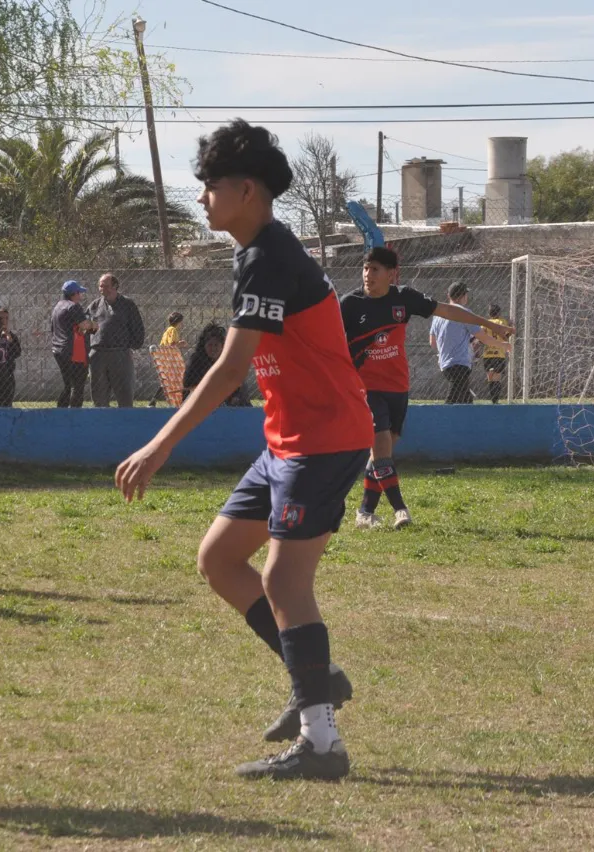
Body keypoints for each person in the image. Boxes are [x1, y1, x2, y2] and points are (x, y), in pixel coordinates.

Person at [116, 120, 373, 781]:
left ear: (248, 191)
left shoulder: (269, 256)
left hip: (324, 438)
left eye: (210, 187)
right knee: (220, 559)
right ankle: (313, 675)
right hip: (288, 438)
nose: (202, 199)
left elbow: (230, 371)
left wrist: (159, 444)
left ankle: (322, 743)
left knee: (287, 580)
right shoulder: (253, 253)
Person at [341, 249, 513, 530]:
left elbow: (448, 310)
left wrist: (487, 324)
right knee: (382, 449)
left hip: (398, 386)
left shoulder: (404, 298)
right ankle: (401, 511)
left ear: (392, 273)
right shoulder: (350, 304)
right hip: (365, 389)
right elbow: (326, 338)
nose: (367, 275)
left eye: (375, 270)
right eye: (365, 269)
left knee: (381, 455)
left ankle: (364, 513)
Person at [429, 282, 509, 405]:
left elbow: (432, 343)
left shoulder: (438, 314)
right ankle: (440, 421)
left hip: (444, 363)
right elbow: (484, 338)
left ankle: (468, 422)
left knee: (466, 401)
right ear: (463, 296)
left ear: (448, 295)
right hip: (459, 363)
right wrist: (503, 345)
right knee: (452, 399)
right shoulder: (464, 313)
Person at [85, 273, 146, 407]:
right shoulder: (94, 306)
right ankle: (102, 422)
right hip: (98, 355)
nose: (102, 289)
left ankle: (125, 422)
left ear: (115, 286)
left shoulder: (127, 305)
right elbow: (86, 329)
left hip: (120, 354)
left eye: (106, 286)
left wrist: (131, 347)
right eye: (100, 286)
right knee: (99, 396)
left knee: (124, 394)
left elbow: (137, 328)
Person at [183, 321, 250, 406]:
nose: (213, 348)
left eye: (216, 345)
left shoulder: (227, 361)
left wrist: (235, 396)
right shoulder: (195, 361)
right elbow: (189, 385)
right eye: (210, 345)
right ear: (204, 346)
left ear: (222, 346)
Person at [50, 280, 95, 408]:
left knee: (68, 385)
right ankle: (75, 414)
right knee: (78, 385)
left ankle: (61, 411)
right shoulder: (73, 306)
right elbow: (85, 325)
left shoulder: (58, 306)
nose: (81, 296)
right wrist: (93, 324)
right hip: (73, 351)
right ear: (74, 293)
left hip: (58, 350)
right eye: (79, 293)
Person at [482, 304, 512, 403]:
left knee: (490, 379)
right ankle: (496, 400)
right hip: (499, 353)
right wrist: (511, 327)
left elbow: (481, 337)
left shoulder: (485, 323)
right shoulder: (502, 322)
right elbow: (506, 336)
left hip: (487, 354)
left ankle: (492, 399)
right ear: (499, 313)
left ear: (489, 313)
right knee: (497, 378)